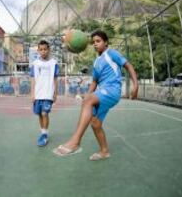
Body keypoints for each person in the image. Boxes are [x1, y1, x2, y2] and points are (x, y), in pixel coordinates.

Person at [53, 30, 138, 160]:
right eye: (93, 42)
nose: (95, 44)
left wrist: (135, 85)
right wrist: (87, 95)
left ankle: (75, 142)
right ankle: (104, 151)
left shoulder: (111, 53)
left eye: (98, 41)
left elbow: (129, 66)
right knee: (95, 123)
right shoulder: (96, 62)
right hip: (102, 91)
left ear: (106, 42)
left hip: (112, 90)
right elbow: (94, 81)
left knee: (89, 101)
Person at [30, 40, 59, 147]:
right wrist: (32, 94)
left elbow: (55, 79)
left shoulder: (53, 63)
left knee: (44, 113)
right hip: (38, 93)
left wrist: (56, 92)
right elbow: (33, 79)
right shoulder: (35, 64)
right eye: (41, 49)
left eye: (45, 49)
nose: (43, 51)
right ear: (38, 51)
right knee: (39, 114)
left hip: (48, 93)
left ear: (49, 50)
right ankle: (43, 131)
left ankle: (44, 134)